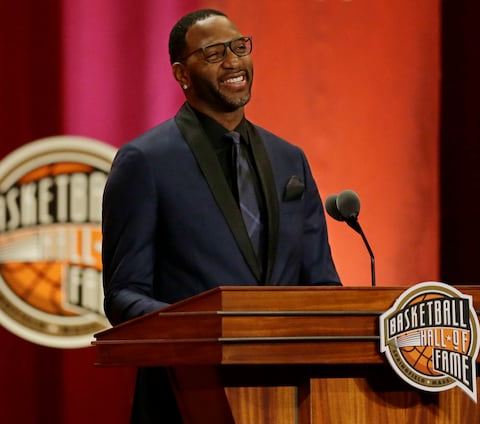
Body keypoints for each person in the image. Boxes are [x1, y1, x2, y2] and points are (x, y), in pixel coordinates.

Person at [102, 8, 341, 424]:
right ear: (182, 74)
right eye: (213, 53)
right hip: (186, 397)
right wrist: (204, 330)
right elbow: (123, 295)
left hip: (290, 398)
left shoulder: (290, 161)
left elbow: (321, 284)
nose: (233, 61)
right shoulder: (145, 161)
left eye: (239, 47)